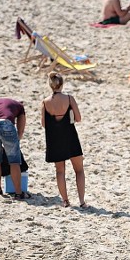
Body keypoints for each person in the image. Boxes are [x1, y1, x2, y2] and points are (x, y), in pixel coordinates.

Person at [41, 73, 86, 208]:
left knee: (60, 171)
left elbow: (44, 124)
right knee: (79, 170)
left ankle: (65, 201)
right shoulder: (69, 98)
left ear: (50, 85)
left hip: (54, 139)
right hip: (70, 136)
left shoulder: (45, 102)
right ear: (62, 84)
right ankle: (82, 202)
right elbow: (78, 118)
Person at [0, 98, 27, 199]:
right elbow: (20, 129)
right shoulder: (20, 107)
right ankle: (18, 192)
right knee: (14, 161)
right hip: (6, 124)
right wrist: (16, 140)